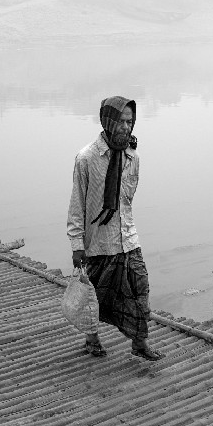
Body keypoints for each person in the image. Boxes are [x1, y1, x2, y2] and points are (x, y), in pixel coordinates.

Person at [67, 95, 163, 361]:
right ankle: (91, 339)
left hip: (128, 239)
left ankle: (140, 343)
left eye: (130, 121)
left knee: (140, 289)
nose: (125, 127)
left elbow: (127, 203)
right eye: (120, 121)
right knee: (94, 297)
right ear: (108, 121)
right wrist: (77, 245)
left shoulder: (133, 157)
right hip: (97, 243)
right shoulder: (86, 158)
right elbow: (77, 207)